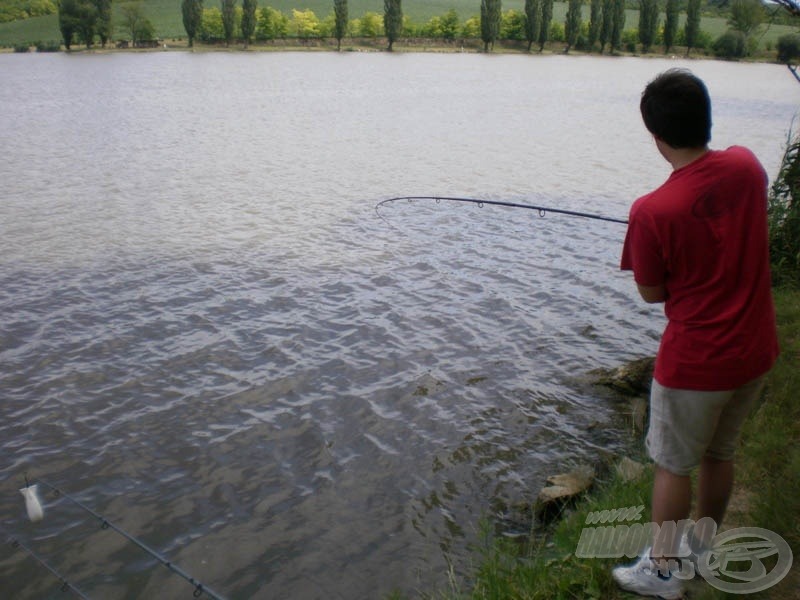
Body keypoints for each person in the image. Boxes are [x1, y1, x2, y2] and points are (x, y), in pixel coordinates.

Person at [614, 68, 780, 599]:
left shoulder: (651, 210)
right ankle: (702, 551)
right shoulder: (748, 166)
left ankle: (663, 571)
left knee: (672, 466)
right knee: (720, 453)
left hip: (697, 364)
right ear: (706, 117)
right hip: (754, 350)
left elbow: (652, 293)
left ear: (655, 136)